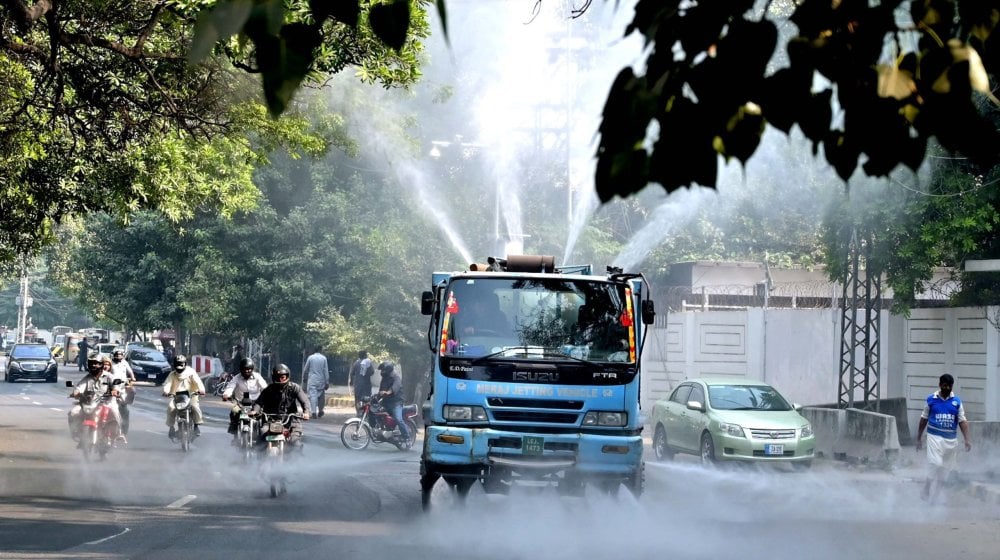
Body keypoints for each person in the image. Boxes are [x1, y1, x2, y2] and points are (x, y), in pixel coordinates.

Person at [916, 373, 973, 503]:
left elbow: (962, 421)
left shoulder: (956, 402)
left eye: (949, 386)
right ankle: (926, 488)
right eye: (945, 385)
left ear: (952, 386)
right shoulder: (931, 400)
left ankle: (935, 498)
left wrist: (967, 439)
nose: (947, 388)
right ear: (940, 385)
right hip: (934, 437)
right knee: (935, 463)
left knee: (944, 470)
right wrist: (919, 438)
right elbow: (923, 419)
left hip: (951, 440)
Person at [251, 364, 310, 448]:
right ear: (273, 377)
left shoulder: (295, 388)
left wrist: (306, 412)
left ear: (287, 376)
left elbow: (305, 401)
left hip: (291, 421)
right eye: (278, 377)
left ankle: (298, 460)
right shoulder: (268, 390)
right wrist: (255, 411)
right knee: (262, 439)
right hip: (271, 421)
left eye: (283, 377)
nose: (280, 379)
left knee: (295, 442)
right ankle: (259, 460)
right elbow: (259, 402)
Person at [67, 353, 114, 444]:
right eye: (92, 363)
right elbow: (80, 387)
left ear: (101, 364)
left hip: (105, 403)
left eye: (96, 363)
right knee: (72, 413)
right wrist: (76, 392)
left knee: (114, 415)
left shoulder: (108, 376)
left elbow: (116, 385)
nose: (93, 365)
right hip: (89, 403)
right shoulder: (87, 378)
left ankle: (115, 435)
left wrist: (115, 390)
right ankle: (76, 432)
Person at [161, 354, 207, 440]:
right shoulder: (172, 375)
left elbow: (198, 382)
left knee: (195, 407)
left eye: (181, 365)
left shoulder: (191, 372)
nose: (179, 367)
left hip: (191, 395)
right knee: (171, 408)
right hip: (177, 396)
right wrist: (166, 391)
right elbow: (168, 384)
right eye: (177, 365)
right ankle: (171, 428)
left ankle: (196, 426)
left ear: (185, 364)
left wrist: (201, 390)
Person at [222, 357, 268, 437]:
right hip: (241, 404)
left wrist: (268, 395)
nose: (247, 371)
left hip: (256, 403)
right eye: (245, 369)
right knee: (234, 411)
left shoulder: (257, 377)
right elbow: (230, 387)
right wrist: (226, 395)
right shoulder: (236, 378)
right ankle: (235, 434)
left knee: (264, 415)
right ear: (241, 369)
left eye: (249, 369)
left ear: (252, 369)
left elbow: (265, 388)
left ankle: (263, 435)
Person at [375, 360, 411, 448]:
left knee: (398, 419)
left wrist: (387, 392)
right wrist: (375, 398)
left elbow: (394, 388)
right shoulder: (384, 379)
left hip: (396, 403)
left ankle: (407, 438)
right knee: (375, 412)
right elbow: (381, 391)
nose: (382, 372)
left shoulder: (396, 378)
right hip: (386, 403)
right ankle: (382, 431)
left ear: (388, 370)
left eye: (383, 370)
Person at [109, 349, 136, 437]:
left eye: (120, 355)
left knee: (124, 410)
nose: (118, 357)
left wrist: (132, 378)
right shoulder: (109, 363)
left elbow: (130, 372)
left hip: (122, 387)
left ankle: (123, 432)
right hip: (111, 386)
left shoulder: (125, 363)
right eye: (116, 356)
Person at [302, 345, 329, 418]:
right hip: (321, 380)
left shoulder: (310, 357)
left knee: (313, 396)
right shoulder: (324, 358)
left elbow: (306, 369)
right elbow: (325, 371)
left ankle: (313, 412)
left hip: (312, 380)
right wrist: (327, 382)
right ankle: (320, 410)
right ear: (320, 350)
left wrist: (304, 378)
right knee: (321, 397)